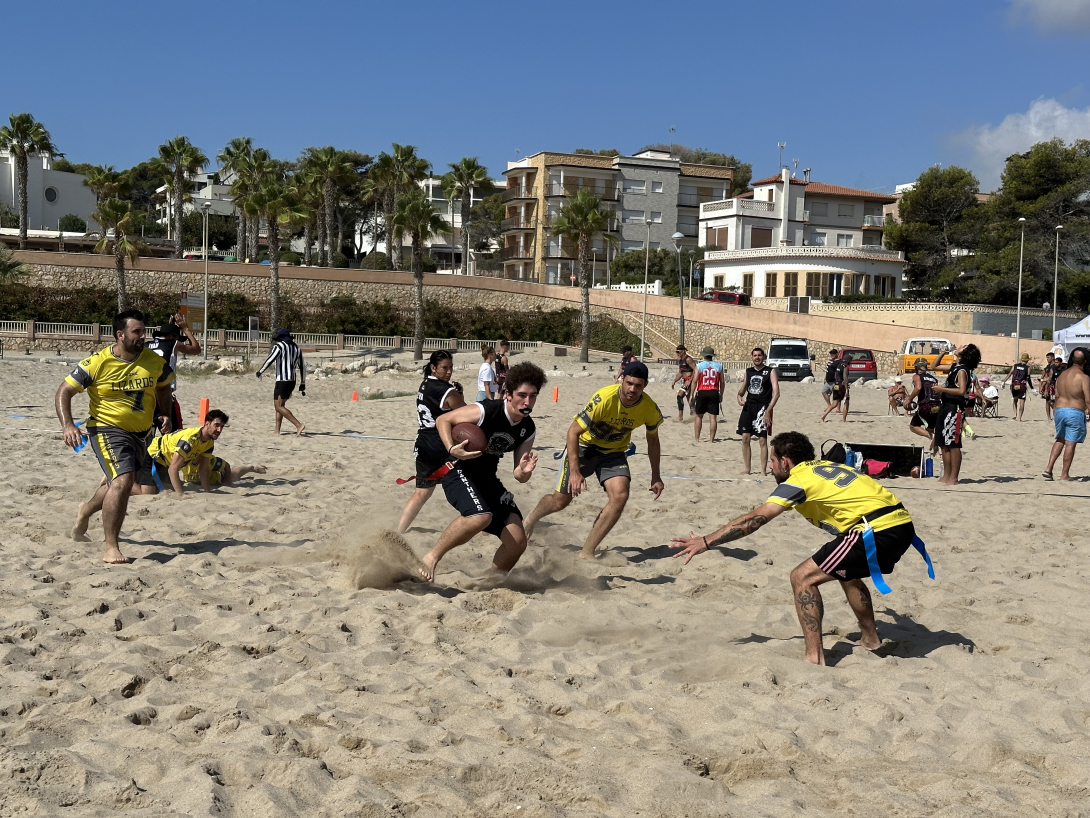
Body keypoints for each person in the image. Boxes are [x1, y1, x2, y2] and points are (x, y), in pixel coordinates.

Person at [670, 431, 924, 665]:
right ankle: (870, 639)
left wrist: (706, 541)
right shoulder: (827, 467)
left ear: (786, 461)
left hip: (875, 530)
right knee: (845, 572)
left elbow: (755, 519)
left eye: (772, 460)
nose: (770, 466)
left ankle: (813, 658)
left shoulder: (798, 480)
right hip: (901, 524)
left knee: (801, 578)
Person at [56, 309, 175, 564]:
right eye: (137, 332)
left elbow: (164, 387)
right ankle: (111, 547)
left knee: (116, 484)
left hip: (143, 435)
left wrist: (165, 415)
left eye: (144, 331)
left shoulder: (154, 361)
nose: (143, 336)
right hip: (106, 429)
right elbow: (64, 391)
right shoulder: (97, 363)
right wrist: (68, 425)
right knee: (124, 480)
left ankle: (85, 510)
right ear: (120, 335)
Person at [418, 362, 547, 581]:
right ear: (507, 394)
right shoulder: (486, 410)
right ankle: (430, 558)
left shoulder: (528, 428)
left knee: (518, 541)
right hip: (457, 470)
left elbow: (519, 475)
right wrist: (451, 448)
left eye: (533, 396)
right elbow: (443, 420)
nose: (527, 402)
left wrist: (524, 471)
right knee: (480, 517)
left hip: (487, 478)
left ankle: (491, 579)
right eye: (522, 395)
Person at [524, 361, 664, 559]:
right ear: (622, 380)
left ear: (645, 385)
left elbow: (653, 441)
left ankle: (587, 552)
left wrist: (656, 476)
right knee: (560, 502)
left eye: (638, 385)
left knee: (620, 495)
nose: (632, 389)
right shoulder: (604, 398)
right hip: (583, 448)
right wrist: (575, 471)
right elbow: (573, 432)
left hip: (613, 453)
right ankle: (531, 519)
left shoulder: (649, 408)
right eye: (629, 383)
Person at [398, 350, 466, 533]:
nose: (449, 372)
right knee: (472, 483)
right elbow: (467, 416)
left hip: (423, 444)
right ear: (433, 368)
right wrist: (460, 396)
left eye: (451, 367)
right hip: (441, 444)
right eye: (445, 368)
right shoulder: (447, 391)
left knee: (422, 492)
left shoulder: (424, 384)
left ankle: (399, 530)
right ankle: (481, 522)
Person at [145, 409, 229, 495]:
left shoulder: (209, 442)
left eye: (222, 426)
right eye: (216, 425)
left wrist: (207, 492)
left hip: (166, 463)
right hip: (154, 454)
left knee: (168, 489)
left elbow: (203, 469)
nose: (219, 430)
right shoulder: (190, 440)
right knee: (148, 492)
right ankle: (131, 482)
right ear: (207, 423)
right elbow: (173, 469)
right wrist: (181, 494)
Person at [932, 343, 980, 485]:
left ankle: (953, 478)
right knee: (943, 444)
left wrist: (942, 389)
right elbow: (934, 366)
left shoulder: (963, 370)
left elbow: (961, 390)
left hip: (955, 408)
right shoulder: (955, 367)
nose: (959, 346)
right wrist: (944, 352)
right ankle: (946, 475)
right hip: (945, 407)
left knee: (953, 444)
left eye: (963, 346)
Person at [145, 313, 201, 432]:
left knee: (147, 436)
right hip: (164, 395)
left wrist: (169, 326)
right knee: (173, 436)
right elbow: (196, 349)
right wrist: (185, 329)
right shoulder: (173, 343)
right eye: (177, 337)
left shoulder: (146, 345)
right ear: (171, 336)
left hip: (147, 395)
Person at [1043, 347, 1090, 481]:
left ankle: (1048, 469)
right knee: (1070, 443)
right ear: (1085, 362)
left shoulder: (1062, 375)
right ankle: (1064, 474)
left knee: (1060, 439)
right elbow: (1088, 399)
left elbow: (1057, 395)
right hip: (1075, 411)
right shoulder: (1083, 377)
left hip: (1060, 411)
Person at [737, 347, 780, 474]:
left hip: (763, 407)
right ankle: (747, 468)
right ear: (752, 357)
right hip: (748, 407)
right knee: (745, 438)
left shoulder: (770, 371)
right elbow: (743, 389)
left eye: (759, 355)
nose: (757, 357)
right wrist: (739, 396)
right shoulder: (748, 371)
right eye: (755, 355)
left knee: (762, 439)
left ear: (763, 357)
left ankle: (762, 470)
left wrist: (768, 411)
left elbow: (776, 393)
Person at [256, 328, 306, 435]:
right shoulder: (296, 348)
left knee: (278, 406)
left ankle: (298, 425)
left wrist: (260, 371)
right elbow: (302, 367)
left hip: (282, 381)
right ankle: (277, 430)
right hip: (292, 381)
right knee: (281, 405)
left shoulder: (279, 347)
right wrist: (303, 383)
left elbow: (270, 360)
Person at [905, 357, 941, 450]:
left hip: (926, 405)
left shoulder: (916, 376)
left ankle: (931, 436)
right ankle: (936, 452)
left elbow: (918, 388)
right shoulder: (934, 379)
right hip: (937, 405)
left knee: (913, 426)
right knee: (930, 428)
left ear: (916, 367)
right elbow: (939, 393)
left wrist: (909, 399)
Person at [691, 347, 725, 442]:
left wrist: (691, 395)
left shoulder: (699, 366)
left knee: (699, 416)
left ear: (704, 355)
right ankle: (711, 439)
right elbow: (722, 382)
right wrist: (721, 393)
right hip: (713, 392)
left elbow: (694, 381)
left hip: (702, 391)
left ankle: (697, 438)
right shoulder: (719, 366)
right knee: (713, 417)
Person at [1002, 352, 1032, 421]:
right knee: (1022, 402)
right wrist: (1032, 388)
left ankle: (1015, 414)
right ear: (1027, 360)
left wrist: (1004, 381)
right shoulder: (1027, 368)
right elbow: (1028, 378)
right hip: (1021, 386)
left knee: (1015, 400)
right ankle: (1019, 418)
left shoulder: (1015, 365)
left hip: (1014, 385)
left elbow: (1010, 373)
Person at [670, 344, 696, 422]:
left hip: (690, 380)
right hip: (685, 381)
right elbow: (680, 373)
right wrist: (674, 381)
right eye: (676, 352)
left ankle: (680, 416)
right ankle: (695, 415)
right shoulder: (681, 361)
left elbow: (695, 370)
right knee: (689, 399)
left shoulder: (688, 359)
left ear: (683, 351)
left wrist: (690, 380)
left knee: (679, 396)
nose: (678, 354)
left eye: (679, 352)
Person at [820, 354, 849, 422]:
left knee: (834, 404)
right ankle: (844, 420)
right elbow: (845, 379)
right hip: (842, 386)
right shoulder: (845, 368)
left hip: (836, 385)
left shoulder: (838, 366)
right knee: (846, 403)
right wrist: (847, 389)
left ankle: (824, 416)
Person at [1039, 352, 1058, 420]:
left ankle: (1056, 414)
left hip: (1053, 385)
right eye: (1046, 357)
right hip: (1047, 385)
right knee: (1047, 401)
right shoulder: (1047, 367)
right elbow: (1043, 376)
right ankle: (1049, 417)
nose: (1047, 359)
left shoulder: (1055, 366)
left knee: (1052, 401)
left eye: (1048, 357)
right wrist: (1041, 386)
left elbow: (1049, 377)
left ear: (1053, 357)